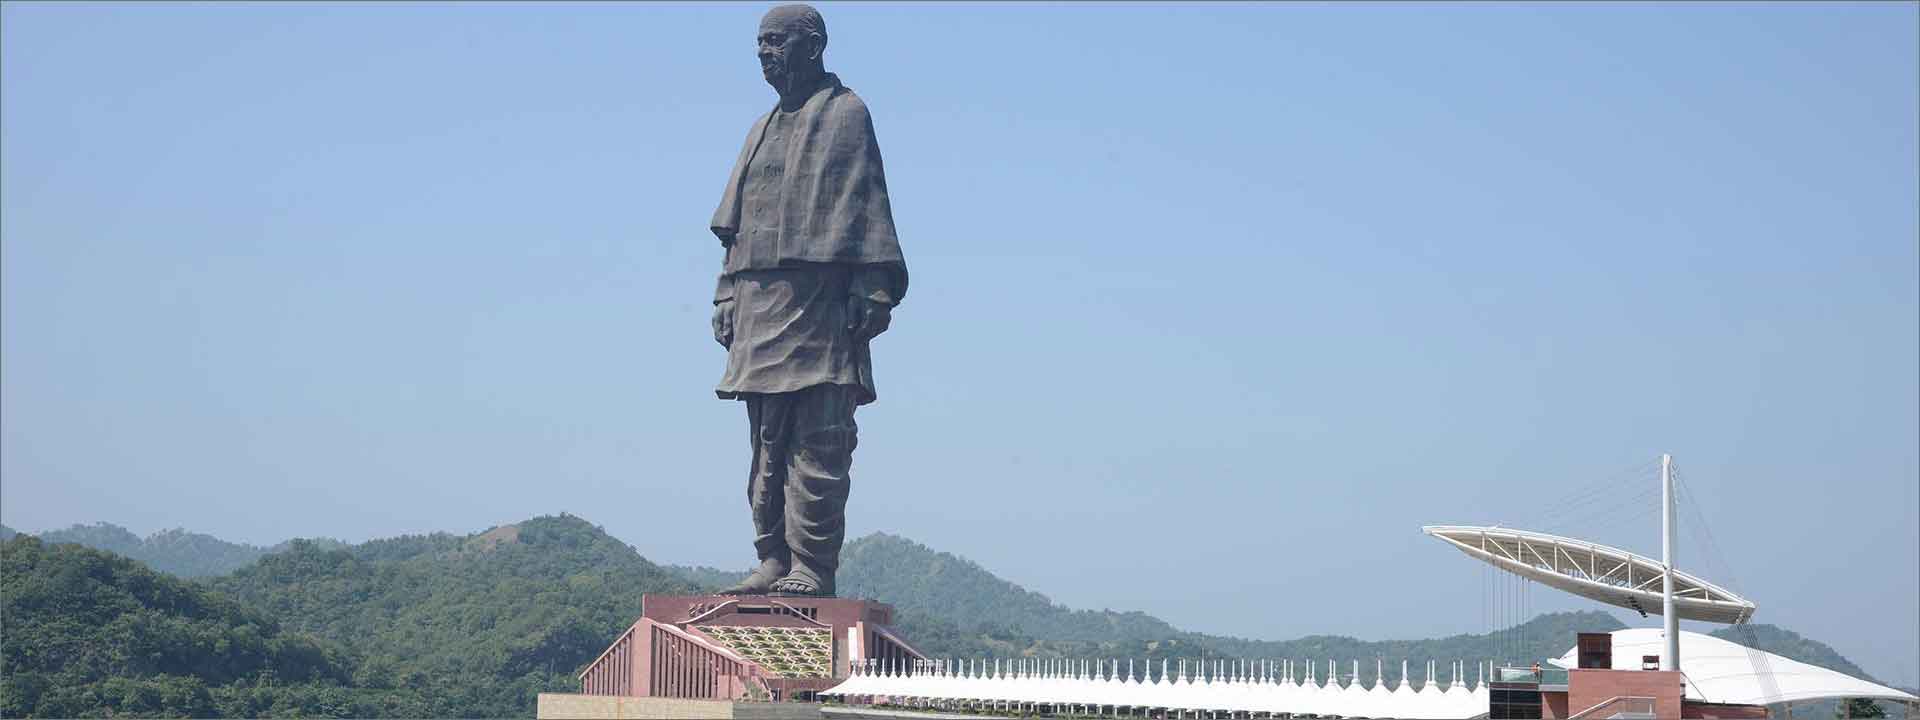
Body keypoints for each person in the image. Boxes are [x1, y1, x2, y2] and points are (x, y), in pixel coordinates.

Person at [707, 4, 907, 597]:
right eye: (759, 43)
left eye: (776, 42)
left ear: (812, 46)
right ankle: (771, 555)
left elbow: (865, 201)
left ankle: (812, 566)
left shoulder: (846, 114)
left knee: (819, 436)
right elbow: (736, 225)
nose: (764, 53)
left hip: (819, 302)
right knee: (765, 439)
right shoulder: (761, 126)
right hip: (757, 300)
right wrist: (725, 293)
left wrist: (872, 288)